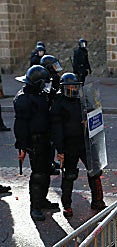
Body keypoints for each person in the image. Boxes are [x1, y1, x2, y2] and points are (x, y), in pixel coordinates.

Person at [50, 72, 106, 217]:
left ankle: (98, 201)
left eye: (75, 86)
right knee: (69, 175)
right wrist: (60, 149)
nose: (74, 89)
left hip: (85, 141)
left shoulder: (82, 98)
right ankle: (67, 205)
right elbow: (56, 128)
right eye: (70, 86)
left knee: (94, 171)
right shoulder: (59, 102)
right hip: (69, 144)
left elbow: (94, 111)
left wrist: (89, 120)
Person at [13, 65, 59, 221]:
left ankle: (42, 200)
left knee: (46, 171)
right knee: (38, 175)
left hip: (45, 139)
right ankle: (35, 207)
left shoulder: (39, 94)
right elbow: (20, 126)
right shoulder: (24, 99)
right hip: (35, 142)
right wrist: (21, 146)